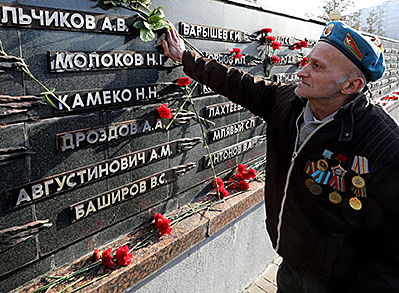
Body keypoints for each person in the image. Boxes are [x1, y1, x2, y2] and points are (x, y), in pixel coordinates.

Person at [162, 21, 399, 292]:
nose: (302, 72)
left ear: (351, 84)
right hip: (290, 266)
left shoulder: (385, 146)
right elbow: (238, 83)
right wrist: (186, 58)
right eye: (307, 61)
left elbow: (391, 252)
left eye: (317, 67)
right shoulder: (289, 103)